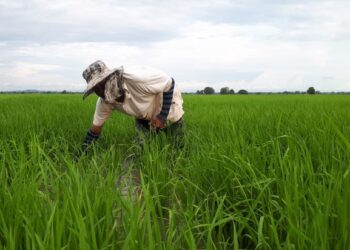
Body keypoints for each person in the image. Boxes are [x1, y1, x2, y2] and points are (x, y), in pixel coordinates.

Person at [81, 60, 185, 152]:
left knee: (176, 144)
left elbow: (170, 83)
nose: (100, 90)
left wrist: (162, 116)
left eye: (101, 84)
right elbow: (95, 129)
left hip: (166, 101)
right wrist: (81, 153)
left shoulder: (139, 79)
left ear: (110, 76)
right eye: (95, 88)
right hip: (142, 112)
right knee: (141, 148)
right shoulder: (104, 102)